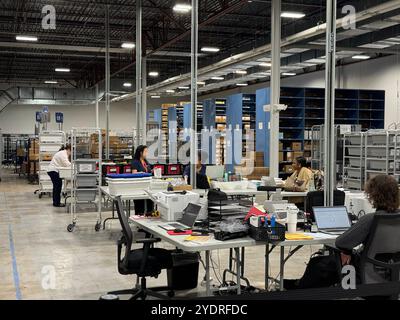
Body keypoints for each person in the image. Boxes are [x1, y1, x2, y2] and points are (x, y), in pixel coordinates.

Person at [284, 174, 400, 290]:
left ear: (373, 195)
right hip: (391, 274)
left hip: (365, 273)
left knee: (319, 264)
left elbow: (341, 242)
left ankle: (299, 290)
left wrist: (347, 251)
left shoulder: (370, 219)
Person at [131, 145, 153, 215]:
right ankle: (138, 220)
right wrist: (141, 173)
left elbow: (148, 170)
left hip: (147, 186)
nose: (147, 153)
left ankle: (149, 217)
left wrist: (153, 170)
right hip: (138, 187)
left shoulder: (145, 161)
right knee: (140, 205)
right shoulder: (135, 162)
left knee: (150, 203)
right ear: (141, 153)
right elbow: (134, 173)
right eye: (145, 151)